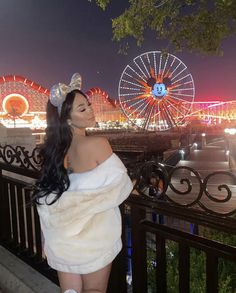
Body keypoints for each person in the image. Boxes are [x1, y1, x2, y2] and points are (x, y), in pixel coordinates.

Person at [32, 73, 133, 293]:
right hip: (92, 238)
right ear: (67, 119)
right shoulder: (98, 144)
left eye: (88, 104)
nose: (91, 110)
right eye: (82, 108)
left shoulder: (54, 152)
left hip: (60, 238)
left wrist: (45, 240)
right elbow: (121, 187)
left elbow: (47, 197)